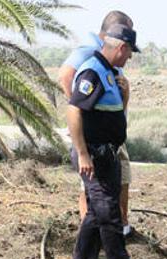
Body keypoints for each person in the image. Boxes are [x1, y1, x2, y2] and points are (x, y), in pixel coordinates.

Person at [65, 25, 144, 259]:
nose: (130, 58)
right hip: (95, 156)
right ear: (121, 47)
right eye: (130, 52)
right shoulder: (93, 72)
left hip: (106, 154)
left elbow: (108, 113)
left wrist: (124, 96)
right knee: (109, 215)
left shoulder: (109, 73)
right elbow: (74, 111)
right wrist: (84, 154)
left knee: (96, 215)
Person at [59, 11, 135, 237]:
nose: (130, 56)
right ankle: (109, 239)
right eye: (129, 45)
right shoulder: (90, 55)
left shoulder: (109, 61)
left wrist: (125, 93)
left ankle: (113, 230)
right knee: (96, 196)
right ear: (118, 38)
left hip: (111, 140)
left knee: (117, 183)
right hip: (95, 142)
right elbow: (66, 78)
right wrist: (86, 114)